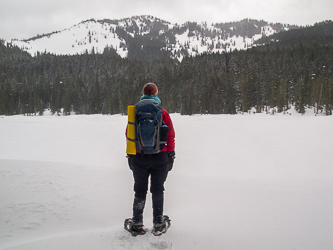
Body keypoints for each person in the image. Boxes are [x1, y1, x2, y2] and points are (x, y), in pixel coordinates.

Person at [126, 82, 175, 235]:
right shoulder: (163, 112)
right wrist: (171, 154)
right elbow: (171, 135)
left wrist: (131, 155)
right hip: (161, 156)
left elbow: (129, 134)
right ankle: (159, 223)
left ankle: (137, 223)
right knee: (157, 189)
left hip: (139, 157)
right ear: (156, 93)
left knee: (140, 190)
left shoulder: (135, 112)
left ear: (143, 93)